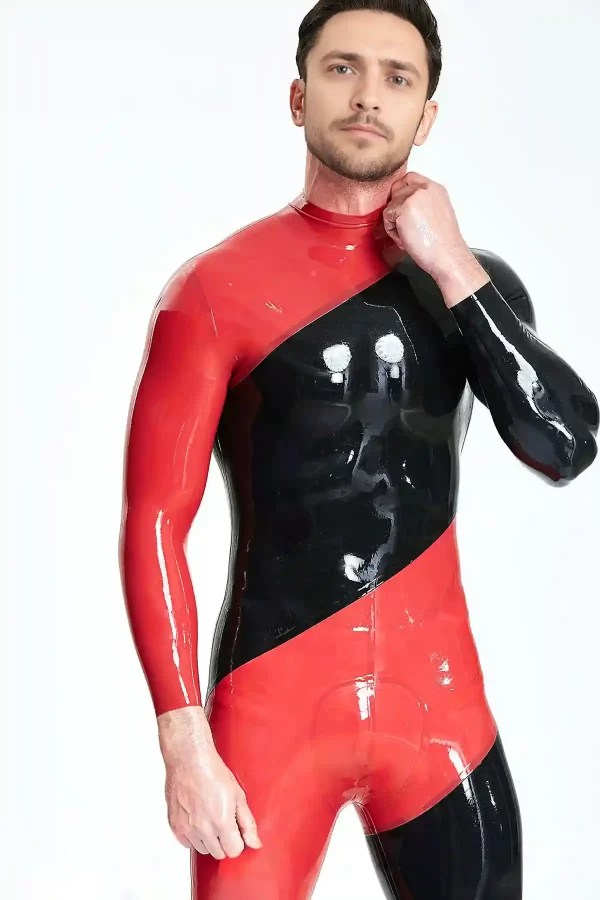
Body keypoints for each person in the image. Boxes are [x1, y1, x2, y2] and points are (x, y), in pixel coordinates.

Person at [118, 2, 599, 897]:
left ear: (427, 115)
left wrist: (454, 266)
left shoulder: (473, 287)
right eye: (343, 69)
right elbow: (153, 521)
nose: (369, 95)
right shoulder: (216, 290)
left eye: (397, 77)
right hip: (271, 713)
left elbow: (566, 447)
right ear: (298, 97)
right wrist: (183, 740)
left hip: (440, 713)